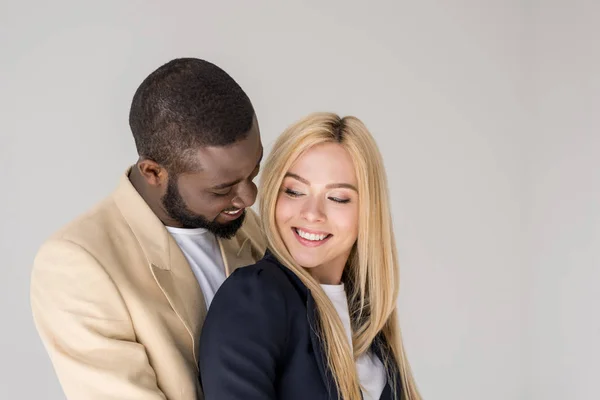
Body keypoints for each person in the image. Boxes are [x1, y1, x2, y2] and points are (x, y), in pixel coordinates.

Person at [30, 58, 266, 400]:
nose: (249, 197)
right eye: (221, 189)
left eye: (254, 170)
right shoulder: (77, 263)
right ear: (153, 172)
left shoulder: (248, 228)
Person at [199, 112, 421, 400]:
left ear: (368, 210)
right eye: (293, 191)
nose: (311, 213)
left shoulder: (367, 323)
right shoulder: (255, 298)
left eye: (337, 198)